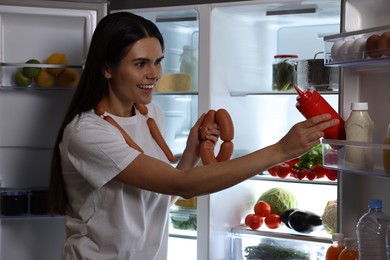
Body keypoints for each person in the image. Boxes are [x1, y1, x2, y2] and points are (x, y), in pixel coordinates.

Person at [48, 12, 340, 260]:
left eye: (158, 61)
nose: (154, 74)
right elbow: (182, 184)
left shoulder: (151, 115)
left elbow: (165, 194)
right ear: (107, 69)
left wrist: (191, 153)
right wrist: (280, 150)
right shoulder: (88, 132)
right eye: (140, 64)